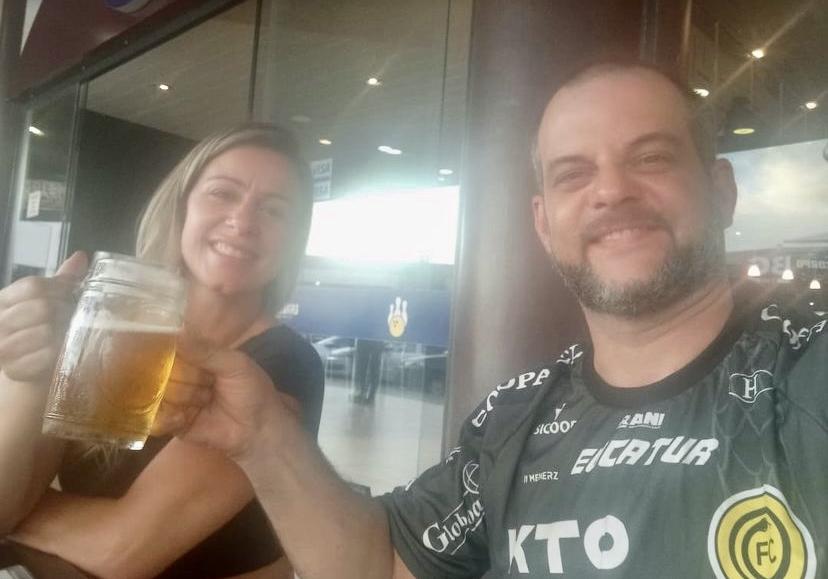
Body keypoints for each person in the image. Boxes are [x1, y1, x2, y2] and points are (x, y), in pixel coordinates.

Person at [0, 123, 324, 578]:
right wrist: (26, 373)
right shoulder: (111, 325)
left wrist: (18, 513)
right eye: (223, 193)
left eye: (274, 210)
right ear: (181, 208)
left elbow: (119, 551)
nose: (243, 221)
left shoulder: (281, 364)